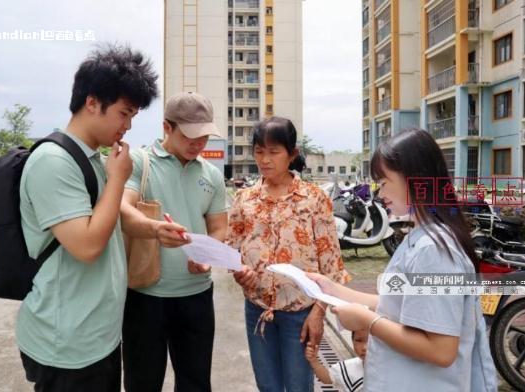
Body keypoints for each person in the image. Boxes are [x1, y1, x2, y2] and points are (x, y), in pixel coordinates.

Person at [308, 129, 498, 391]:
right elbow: (399, 305)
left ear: (414, 180)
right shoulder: (421, 238)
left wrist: (367, 322)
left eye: (384, 182)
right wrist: (333, 290)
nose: (379, 192)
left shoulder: (433, 249)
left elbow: (441, 350)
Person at [16, 45, 158, 391]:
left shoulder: (95, 159)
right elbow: (88, 246)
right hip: (66, 343)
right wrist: (119, 179)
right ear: (92, 102)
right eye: (124, 114)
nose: (126, 126)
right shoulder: (54, 161)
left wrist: (154, 228)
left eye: (133, 117)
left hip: (98, 336)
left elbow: (109, 220)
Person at [226, 116, 350, 392]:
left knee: (298, 386)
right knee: (267, 386)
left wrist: (319, 313)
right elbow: (232, 248)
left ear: (292, 154)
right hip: (257, 309)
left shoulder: (314, 199)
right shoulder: (244, 199)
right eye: (259, 152)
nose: (265, 160)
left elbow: (331, 263)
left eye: (273, 152)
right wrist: (239, 272)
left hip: (301, 313)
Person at [120, 92, 228, 391]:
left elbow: (219, 227)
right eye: (190, 136)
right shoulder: (140, 162)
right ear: (167, 127)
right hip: (146, 295)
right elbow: (123, 210)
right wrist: (154, 229)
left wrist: (208, 256)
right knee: (143, 381)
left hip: (196, 295)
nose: (198, 144)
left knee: (195, 382)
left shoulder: (211, 175)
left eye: (204, 136)